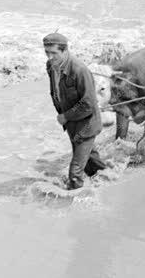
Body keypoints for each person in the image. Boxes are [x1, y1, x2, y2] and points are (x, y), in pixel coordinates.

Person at [43, 32, 106, 190]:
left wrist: (65, 116)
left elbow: (89, 103)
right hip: (72, 124)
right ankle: (109, 180)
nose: (50, 57)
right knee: (91, 162)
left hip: (87, 124)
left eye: (54, 53)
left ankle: (74, 205)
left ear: (65, 51)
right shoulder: (51, 66)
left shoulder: (79, 70)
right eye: (47, 52)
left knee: (75, 172)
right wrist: (67, 118)